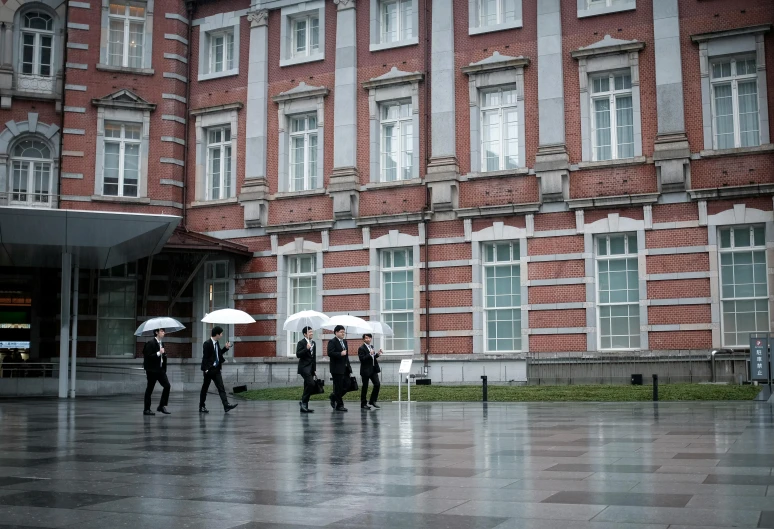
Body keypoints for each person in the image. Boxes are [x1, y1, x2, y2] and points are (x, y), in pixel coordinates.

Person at [199, 326, 238, 414]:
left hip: (216, 370)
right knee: (205, 389)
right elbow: (205, 358)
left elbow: (218, 354)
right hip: (209, 370)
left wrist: (225, 348)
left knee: (221, 388)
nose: (222, 335)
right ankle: (201, 406)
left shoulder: (216, 343)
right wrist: (206, 369)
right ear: (217, 334)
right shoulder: (207, 344)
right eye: (221, 333)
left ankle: (226, 406)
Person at [143, 328, 170, 415]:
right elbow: (148, 356)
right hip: (152, 370)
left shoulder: (162, 343)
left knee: (167, 386)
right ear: (156, 332)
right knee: (149, 389)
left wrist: (164, 354)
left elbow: (162, 356)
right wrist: (159, 353)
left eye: (163, 331)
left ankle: (161, 406)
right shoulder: (150, 343)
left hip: (160, 370)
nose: (164, 333)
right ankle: (147, 409)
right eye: (162, 331)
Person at [327, 325, 351, 412]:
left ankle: (333, 396)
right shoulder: (332, 342)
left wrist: (349, 367)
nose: (343, 333)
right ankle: (340, 405)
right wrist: (340, 353)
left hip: (345, 368)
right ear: (336, 332)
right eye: (341, 332)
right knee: (338, 387)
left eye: (344, 332)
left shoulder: (345, 342)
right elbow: (330, 353)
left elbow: (346, 356)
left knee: (348, 385)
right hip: (336, 368)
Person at [296, 326, 317, 414]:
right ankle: (303, 402)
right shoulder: (301, 342)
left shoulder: (314, 343)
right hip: (304, 367)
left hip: (311, 368)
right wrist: (306, 348)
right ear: (305, 334)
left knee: (307, 386)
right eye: (309, 332)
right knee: (311, 384)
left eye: (312, 331)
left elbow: (314, 357)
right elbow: (298, 354)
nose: (311, 333)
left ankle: (305, 406)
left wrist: (314, 369)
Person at [358, 333, 382, 410]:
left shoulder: (371, 347)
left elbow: (373, 357)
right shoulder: (361, 348)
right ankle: (363, 403)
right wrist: (369, 354)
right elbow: (362, 359)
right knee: (365, 387)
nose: (368, 339)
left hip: (373, 369)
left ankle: (372, 400)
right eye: (366, 338)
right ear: (364, 339)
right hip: (365, 371)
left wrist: (377, 354)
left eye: (369, 338)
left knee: (377, 384)